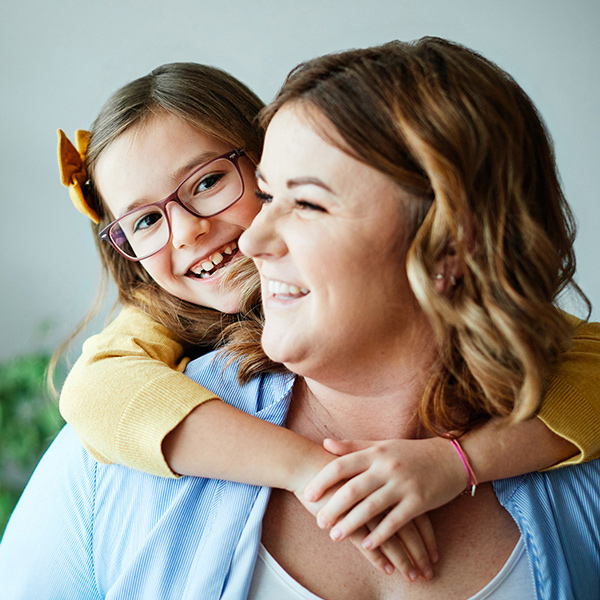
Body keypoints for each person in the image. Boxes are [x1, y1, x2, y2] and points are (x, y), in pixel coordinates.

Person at [0, 40, 598, 598]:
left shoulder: (566, 446)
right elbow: (95, 390)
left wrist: (461, 462)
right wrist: (310, 468)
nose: (195, 234)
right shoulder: (122, 437)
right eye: (146, 221)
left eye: (301, 200)